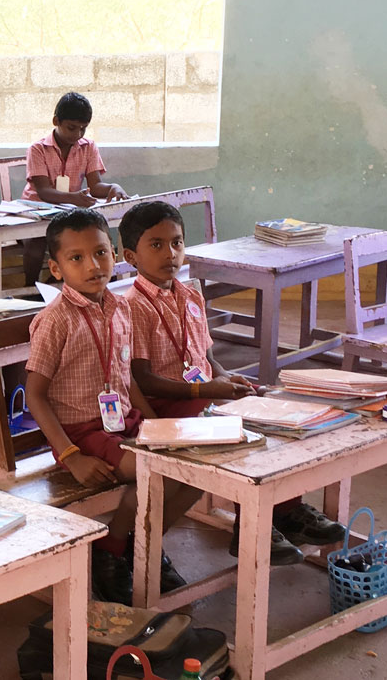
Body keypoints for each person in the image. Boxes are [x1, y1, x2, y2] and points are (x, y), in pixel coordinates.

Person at [119, 200, 345, 564]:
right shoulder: (132, 306)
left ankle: (285, 510)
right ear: (131, 255)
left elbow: (205, 357)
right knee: (237, 429)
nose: (170, 254)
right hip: (169, 405)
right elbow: (143, 380)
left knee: (271, 415)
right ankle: (251, 527)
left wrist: (225, 377)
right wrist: (207, 390)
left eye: (176, 243)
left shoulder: (190, 294)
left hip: (203, 395)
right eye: (156, 245)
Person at [24, 208, 193, 603]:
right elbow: (34, 394)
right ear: (56, 267)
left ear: (115, 255)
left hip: (124, 423)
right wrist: (71, 455)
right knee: (153, 469)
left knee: (192, 469)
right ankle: (112, 551)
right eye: (77, 258)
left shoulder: (120, 307)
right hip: (81, 433)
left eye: (101, 253)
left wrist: (154, 427)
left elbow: (126, 377)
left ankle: (142, 546)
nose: (93, 265)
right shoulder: (56, 320)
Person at [21, 92, 129, 285]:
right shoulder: (37, 149)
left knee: (92, 239)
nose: (77, 134)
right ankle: (30, 289)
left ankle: (86, 284)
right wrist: (74, 198)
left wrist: (114, 187)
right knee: (36, 244)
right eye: (72, 128)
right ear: (56, 121)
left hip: (68, 213)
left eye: (83, 129)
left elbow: (95, 186)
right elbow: (44, 192)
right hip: (36, 210)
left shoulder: (88, 147)